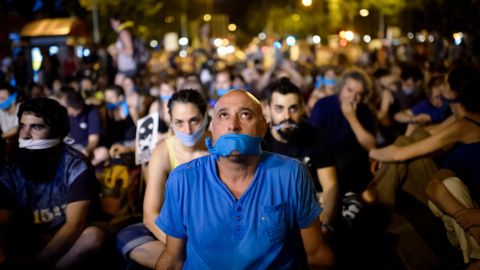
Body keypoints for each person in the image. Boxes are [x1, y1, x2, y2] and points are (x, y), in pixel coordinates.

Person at [155, 90, 334, 269]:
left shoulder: (292, 175)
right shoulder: (183, 180)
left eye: (245, 115)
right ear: (213, 127)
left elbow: (317, 256)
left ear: (263, 127)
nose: (233, 125)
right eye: (224, 115)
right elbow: (172, 259)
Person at [0, 98, 105, 269]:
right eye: (22, 126)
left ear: (56, 133)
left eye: (36, 127)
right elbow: (3, 223)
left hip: (65, 245)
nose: (25, 135)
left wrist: (37, 264)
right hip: (25, 241)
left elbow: (74, 225)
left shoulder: (76, 166)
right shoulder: (11, 168)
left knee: (93, 237)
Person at [117, 89, 211, 269]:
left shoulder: (217, 146)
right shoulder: (163, 152)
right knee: (127, 236)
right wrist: (178, 246)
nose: (188, 130)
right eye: (179, 122)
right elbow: (150, 214)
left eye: (194, 120)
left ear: (205, 116)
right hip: (176, 230)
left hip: (211, 226)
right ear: (170, 121)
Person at [365, 65, 480, 208]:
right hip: (452, 178)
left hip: (466, 194)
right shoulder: (463, 117)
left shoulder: (464, 125)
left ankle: (372, 199)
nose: (440, 86)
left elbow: (400, 154)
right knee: (405, 141)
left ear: (454, 93)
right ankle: (373, 199)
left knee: (404, 152)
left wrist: (372, 153)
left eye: (444, 83)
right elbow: (431, 132)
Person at [262, 77, 339, 234]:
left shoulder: (317, 137)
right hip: (272, 213)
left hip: (312, 208)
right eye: (279, 108)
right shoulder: (259, 142)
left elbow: (330, 186)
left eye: (293, 108)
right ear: (268, 109)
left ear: (302, 108)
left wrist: (327, 226)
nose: (286, 116)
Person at [308, 69, 375, 223]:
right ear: (340, 88)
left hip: (352, 164)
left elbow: (371, 145)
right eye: (349, 90)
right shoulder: (324, 105)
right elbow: (312, 140)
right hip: (327, 162)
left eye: (358, 94)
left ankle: (348, 200)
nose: (353, 97)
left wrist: (351, 118)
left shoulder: (363, 111)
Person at [426, 141, 480, 268]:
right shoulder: (470, 151)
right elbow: (432, 186)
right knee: (449, 185)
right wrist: (470, 222)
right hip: (471, 229)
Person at [62, 89, 109, 166]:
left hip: (86, 148)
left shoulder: (91, 112)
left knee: (103, 152)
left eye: (78, 113)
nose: (76, 116)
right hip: (69, 149)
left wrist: (87, 150)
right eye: (73, 113)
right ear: (67, 107)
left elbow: (94, 139)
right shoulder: (62, 113)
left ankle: (85, 169)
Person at [110, 14, 138, 86]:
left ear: (119, 21)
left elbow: (130, 51)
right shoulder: (121, 33)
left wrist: (116, 50)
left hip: (127, 67)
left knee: (118, 88)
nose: (111, 25)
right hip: (125, 67)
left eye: (113, 22)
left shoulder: (123, 32)